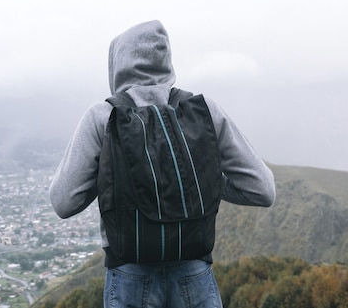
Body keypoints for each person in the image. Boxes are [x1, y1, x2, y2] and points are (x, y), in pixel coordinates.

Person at [49, 20, 276, 308]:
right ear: (165, 60)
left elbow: (63, 202)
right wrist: (201, 181)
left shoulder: (102, 117)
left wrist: (115, 175)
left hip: (130, 276)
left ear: (118, 63)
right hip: (194, 274)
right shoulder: (205, 110)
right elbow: (263, 190)